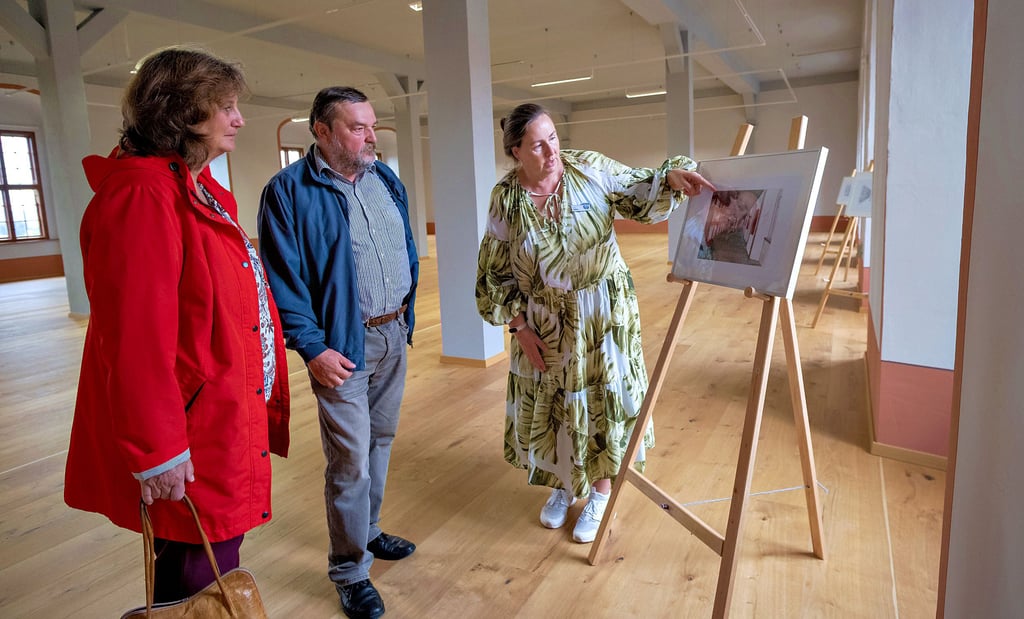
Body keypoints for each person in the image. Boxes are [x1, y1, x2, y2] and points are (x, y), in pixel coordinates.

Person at [64, 47, 291, 604]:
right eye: (226, 107)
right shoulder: (143, 194)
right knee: (198, 575)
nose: (239, 119)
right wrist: (158, 449)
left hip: (219, 414)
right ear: (183, 112)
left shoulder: (197, 187)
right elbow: (135, 338)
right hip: (193, 430)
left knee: (208, 564)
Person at [475, 103, 714, 544]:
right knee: (558, 401)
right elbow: (494, 270)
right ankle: (567, 485)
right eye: (537, 145)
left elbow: (641, 189)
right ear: (515, 151)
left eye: (553, 138)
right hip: (545, 323)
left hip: (602, 312)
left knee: (602, 396)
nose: (551, 151)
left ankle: (602, 492)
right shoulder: (505, 198)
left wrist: (673, 175)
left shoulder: (588, 168)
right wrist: (520, 327)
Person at [257, 86, 418, 619]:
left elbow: (402, 250)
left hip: (393, 334)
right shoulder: (288, 192)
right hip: (341, 349)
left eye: (372, 126)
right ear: (322, 131)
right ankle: (349, 571)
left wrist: (405, 315)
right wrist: (312, 348)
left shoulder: (384, 180)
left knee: (381, 443)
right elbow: (285, 281)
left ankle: (368, 533)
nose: (371, 136)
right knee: (349, 460)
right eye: (357, 127)